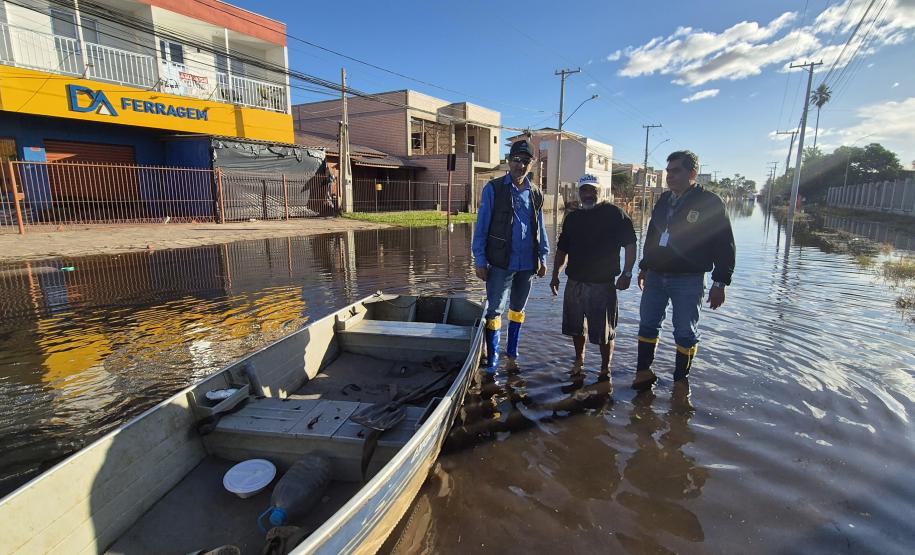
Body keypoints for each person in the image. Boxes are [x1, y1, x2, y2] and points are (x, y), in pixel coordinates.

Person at [632, 150, 735, 391]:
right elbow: (653, 236)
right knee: (647, 325)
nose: (670, 176)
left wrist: (720, 283)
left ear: (693, 173)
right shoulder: (664, 200)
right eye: (668, 171)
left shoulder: (709, 202)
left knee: (685, 332)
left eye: (676, 171)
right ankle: (643, 373)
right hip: (656, 276)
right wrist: (645, 266)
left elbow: (725, 245)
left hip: (688, 280)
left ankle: (680, 382)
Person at [472, 139, 549, 373]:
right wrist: (480, 259)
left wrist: (543, 256)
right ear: (509, 161)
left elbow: (541, 226)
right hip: (500, 261)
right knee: (495, 309)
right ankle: (493, 357)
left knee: (518, 309)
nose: (521, 165)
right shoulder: (494, 189)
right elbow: (482, 225)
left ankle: (512, 352)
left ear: (531, 164)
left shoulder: (535, 192)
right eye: (517, 160)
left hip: (527, 264)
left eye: (526, 161)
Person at [550, 174, 637, 378]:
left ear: (601, 192)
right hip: (575, 283)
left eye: (593, 190)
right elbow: (562, 250)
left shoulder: (615, 214)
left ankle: (604, 368)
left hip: (602, 284)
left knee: (605, 332)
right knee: (576, 328)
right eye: (584, 190)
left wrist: (627, 273)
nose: (588, 194)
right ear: (579, 193)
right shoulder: (572, 217)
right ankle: (579, 359)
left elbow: (631, 245)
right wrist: (555, 275)